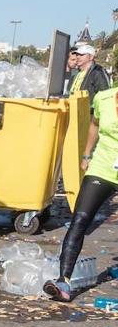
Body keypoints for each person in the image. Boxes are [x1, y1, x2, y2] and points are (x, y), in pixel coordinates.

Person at [44, 81, 118, 301]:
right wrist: (87, 154)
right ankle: (63, 282)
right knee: (80, 219)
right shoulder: (103, 98)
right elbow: (95, 125)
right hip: (102, 168)